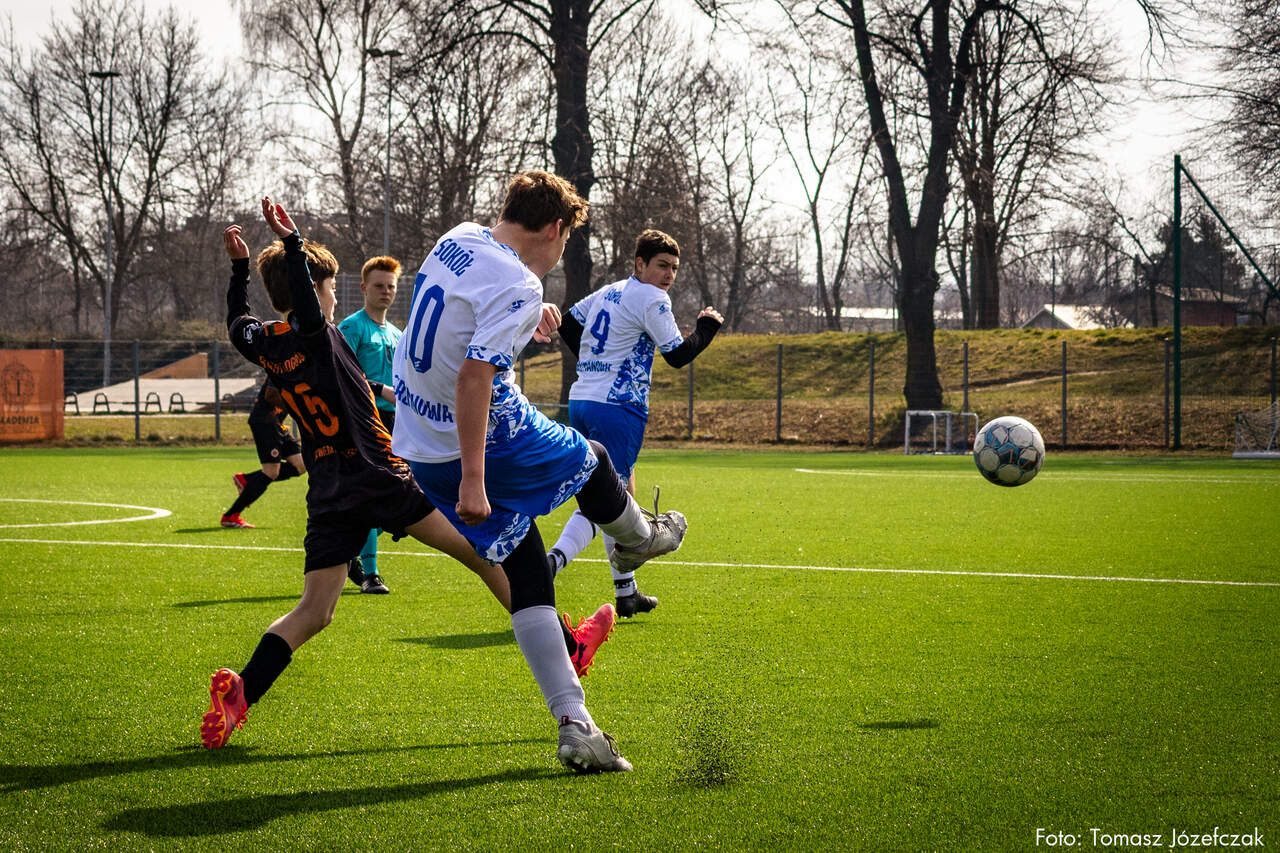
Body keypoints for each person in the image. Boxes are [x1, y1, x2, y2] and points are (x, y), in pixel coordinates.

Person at [201, 196, 614, 753]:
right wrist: (292, 243)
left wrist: (237, 271)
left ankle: (243, 693)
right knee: (488, 551)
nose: (332, 298)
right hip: (380, 474)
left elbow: (236, 324)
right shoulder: (317, 333)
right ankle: (569, 647)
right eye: (328, 289)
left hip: (328, 487)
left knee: (313, 611)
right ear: (314, 292)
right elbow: (309, 308)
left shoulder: (269, 345)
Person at [391, 170, 689, 774]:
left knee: (527, 568)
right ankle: (640, 539)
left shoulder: (458, 237)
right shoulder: (519, 282)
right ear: (555, 228)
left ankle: (576, 725)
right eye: (566, 240)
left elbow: (457, 322)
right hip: (482, 439)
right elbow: (474, 376)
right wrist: (474, 478)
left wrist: (530, 315)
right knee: (594, 459)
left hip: (421, 447)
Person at [547, 229, 722, 617]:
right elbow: (677, 354)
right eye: (662, 265)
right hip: (618, 407)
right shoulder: (652, 297)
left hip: (583, 399)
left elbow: (569, 323)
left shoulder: (610, 291)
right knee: (605, 499)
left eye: (674, 267)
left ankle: (626, 592)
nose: (669, 274)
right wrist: (707, 327)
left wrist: (597, 360)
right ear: (640, 263)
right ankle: (551, 563)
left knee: (622, 491)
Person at [337, 256, 403, 593]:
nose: (385, 291)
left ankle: (346, 543)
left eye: (390, 286)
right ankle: (370, 574)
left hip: (395, 421)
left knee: (402, 498)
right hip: (363, 420)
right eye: (379, 285)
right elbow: (341, 373)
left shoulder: (397, 333)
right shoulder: (352, 327)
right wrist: (380, 389)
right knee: (375, 494)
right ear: (364, 288)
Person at [220, 377, 307, 529]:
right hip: (264, 422)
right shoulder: (281, 367)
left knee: (301, 465)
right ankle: (230, 516)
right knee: (271, 472)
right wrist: (297, 406)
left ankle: (247, 479)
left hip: (277, 424)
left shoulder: (304, 369)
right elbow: (271, 395)